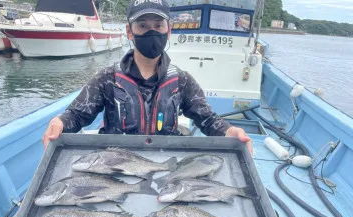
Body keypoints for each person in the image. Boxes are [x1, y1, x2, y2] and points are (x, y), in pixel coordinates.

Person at [42, 0, 253, 154]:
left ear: (168, 30)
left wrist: (230, 131)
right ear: (129, 31)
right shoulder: (106, 78)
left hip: (165, 161)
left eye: (158, 25)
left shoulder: (182, 80)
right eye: (142, 25)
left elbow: (207, 119)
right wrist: (60, 122)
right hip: (115, 162)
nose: (151, 31)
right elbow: (78, 115)